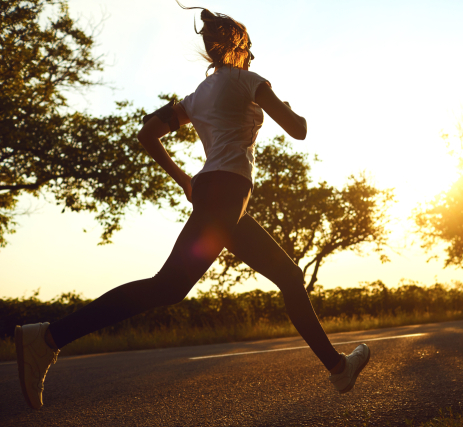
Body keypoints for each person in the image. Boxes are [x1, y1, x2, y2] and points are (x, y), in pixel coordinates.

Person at [14, 6, 370, 410]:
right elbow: (299, 129)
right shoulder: (250, 81)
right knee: (167, 286)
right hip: (226, 194)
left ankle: (338, 369)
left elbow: (147, 133)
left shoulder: (197, 96)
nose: (251, 55)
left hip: (222, 197)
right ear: (241, 45)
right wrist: (282, 103)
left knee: (288, 276)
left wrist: (185, 180)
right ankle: (48, 338)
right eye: (249, 48)